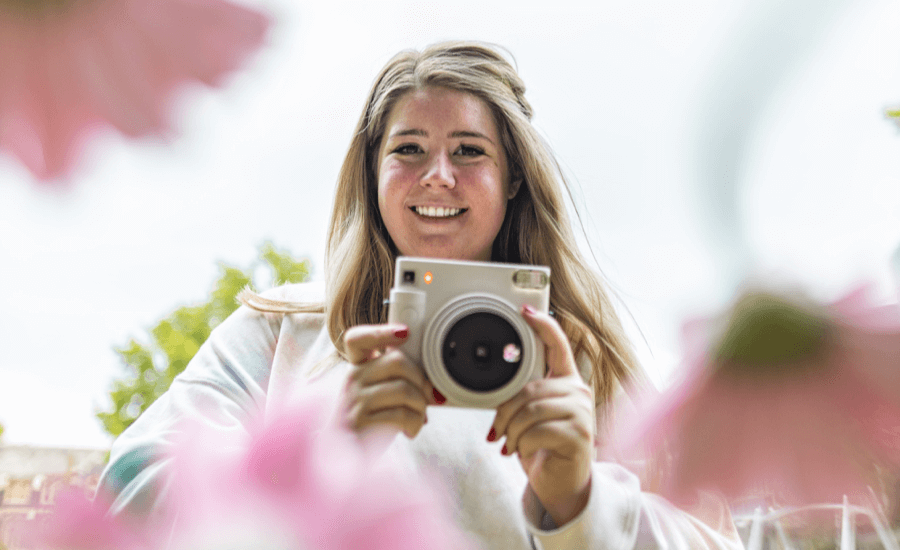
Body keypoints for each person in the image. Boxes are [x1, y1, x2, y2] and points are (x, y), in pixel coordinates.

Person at [97, 41, 742, 549]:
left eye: (469, 151)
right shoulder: (282, 334)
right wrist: (316, 442)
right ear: (372, 174)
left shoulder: (586, 363)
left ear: (512, 177)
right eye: (409, 149)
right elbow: (126, 494)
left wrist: (579, 502)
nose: (439, 175)